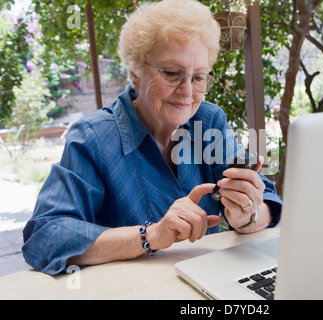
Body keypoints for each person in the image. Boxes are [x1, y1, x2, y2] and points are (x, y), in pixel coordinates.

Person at [22, 0, 282, 275]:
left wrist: (246, 214)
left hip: (207, 282)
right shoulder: (92, 137)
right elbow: (46, 235)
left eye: (198, 77)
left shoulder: (208, 121)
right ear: (135, 74)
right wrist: (152, 235)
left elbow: (266, 200)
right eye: (172, 74)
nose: (187, 92)